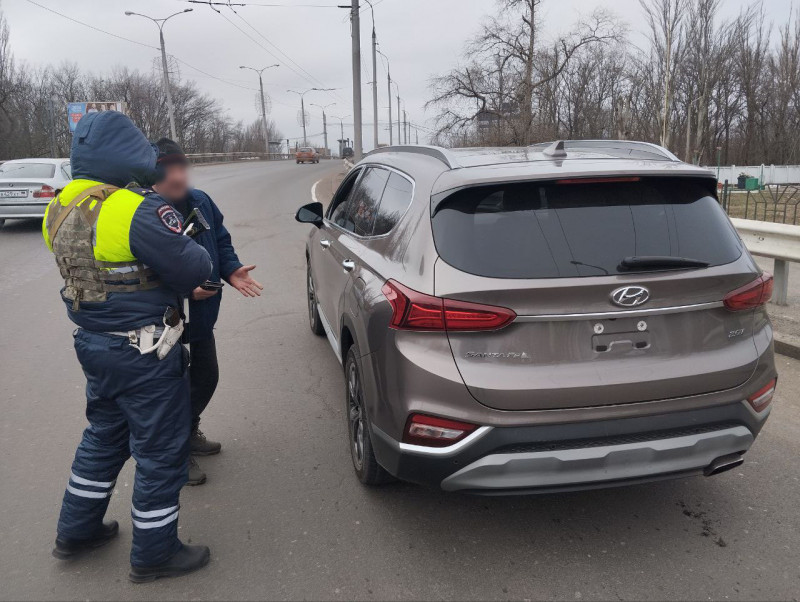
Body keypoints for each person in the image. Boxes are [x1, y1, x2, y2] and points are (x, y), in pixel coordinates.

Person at [43, 111, 213, 583]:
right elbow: (195, 267)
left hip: (93, 344)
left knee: (104, 436)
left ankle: (76, 531)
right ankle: (155, 553)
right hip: (145, 352)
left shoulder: (60, 205)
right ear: (129, 155)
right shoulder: (135, 208)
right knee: (160, 449)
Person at [152, 138, 263, 485]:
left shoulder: (200, 201)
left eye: (182, 168)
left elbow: (222, 242)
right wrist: (185, 291)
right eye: (170, 171)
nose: (179, 177)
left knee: (205, 378)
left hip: (201, 319)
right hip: (164, 323)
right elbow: (146, 270)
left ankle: (188, 431)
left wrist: (231, 271)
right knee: (171, 393)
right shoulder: (146, 212)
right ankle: (175, 456)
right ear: (153, 175)